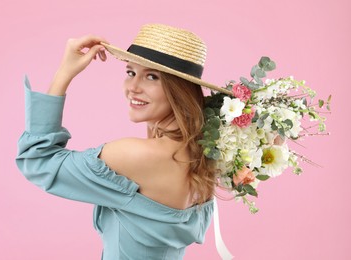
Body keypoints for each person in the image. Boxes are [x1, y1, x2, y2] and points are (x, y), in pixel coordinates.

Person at [16, 24, 232, 260]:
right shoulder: (203, 152)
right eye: (130, 72)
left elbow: (37, 160)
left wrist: (64, 72)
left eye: (152, 76)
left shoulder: (137, 156)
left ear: (179, 89)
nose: (133, 87)